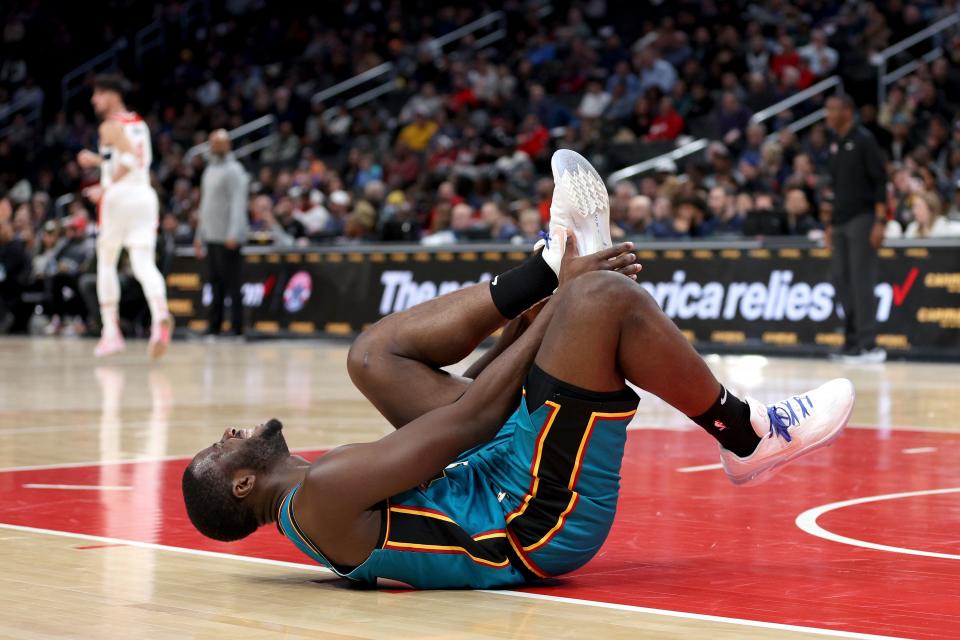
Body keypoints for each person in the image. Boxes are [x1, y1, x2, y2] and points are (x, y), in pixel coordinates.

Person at [182, 151, 854, 589]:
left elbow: (471, 412)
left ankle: (548, 264)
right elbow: (471, 420)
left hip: (493, 467)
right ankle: (747, 434)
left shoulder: (317, 493)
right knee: (602, 299)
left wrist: (538, 301)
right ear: (243, 484)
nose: (232, 431)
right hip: (532, 523)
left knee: (370, 357)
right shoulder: (322, 494)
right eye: (222, 447)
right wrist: (562, 305)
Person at [77, 74, 173, 359]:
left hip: (120, 199)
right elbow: (131, 158)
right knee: (143, 262)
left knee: (106, 263)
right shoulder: (139, 124)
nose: (94, 100)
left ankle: (110, 332)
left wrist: (104, 187)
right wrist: (97, 161)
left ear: (112, 95)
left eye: (98, 94)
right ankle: (160, 315)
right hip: (145, 197)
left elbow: (129, 160)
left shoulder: (110, 125)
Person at [824, 94, 888, 363]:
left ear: (848, 112)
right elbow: (834, 189)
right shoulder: (836, 145)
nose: (827, 114)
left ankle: (869, 345)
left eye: (833, 109)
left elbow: (881, 181)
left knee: (862, 282)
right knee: (841, 281)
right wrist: (828, 224)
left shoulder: (864, 140)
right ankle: (851, 343)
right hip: (839, 222)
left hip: (863, 220)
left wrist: (880, 221)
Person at [194, 130, 250, 337]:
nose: (214, 147)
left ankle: (237, 328)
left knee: (233, 284)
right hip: (211, 235)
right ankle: (213, 326)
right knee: (214, 283)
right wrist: (199, 236)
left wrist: (234, 232)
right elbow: (204, 206)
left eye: (219, 143)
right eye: (212, 143)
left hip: (228, 237)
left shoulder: (234, 170)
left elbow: (238, 203)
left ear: (228, 145)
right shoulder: (209, 170)